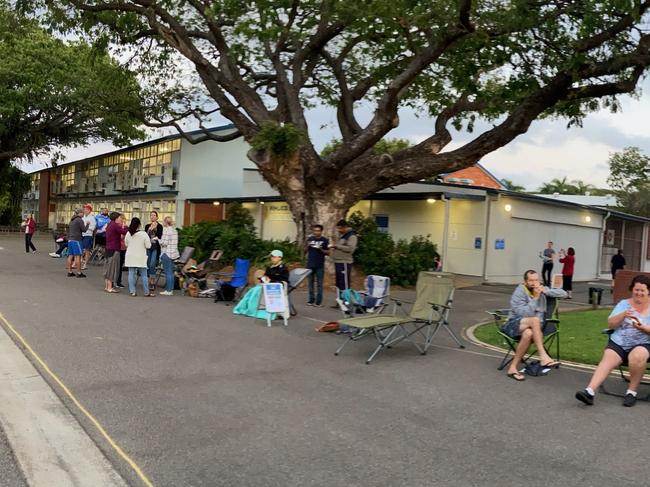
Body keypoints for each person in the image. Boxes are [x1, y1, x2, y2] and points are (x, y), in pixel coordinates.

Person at [575, 275, 650, 408]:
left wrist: (644, 328)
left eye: (642, 290)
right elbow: (611, 324)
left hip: (643, 342)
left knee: (637, 356)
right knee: (608, 358)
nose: (638, 293)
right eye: (636, 289)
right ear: (632, 289)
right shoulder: (623, 304)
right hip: (620, 341)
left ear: (648, 291)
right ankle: (589, 392)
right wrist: (624, 314)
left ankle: (631, 392)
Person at [501, 270, 567, 381]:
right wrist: (535, 298)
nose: (534, 283)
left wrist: (546, 292)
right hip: (513, 324)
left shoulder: (541, 289)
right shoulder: (519, 292)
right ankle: (543, 356)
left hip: (532, 329)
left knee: (528, 333)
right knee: (535, 320)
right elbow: (524, 314)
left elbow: (563, 293)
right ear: (525, 281)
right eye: (531, 280)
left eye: (536, 280)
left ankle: (512, 368)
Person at [329, 219, 358, 308]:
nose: (339, 230)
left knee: (344, 284)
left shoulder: (352, 236)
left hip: (345, 262)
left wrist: (336, 246)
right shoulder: (343, 236)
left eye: (340, 228)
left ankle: (347, 303)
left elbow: (350, 249)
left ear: (345, 227)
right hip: (338, 261)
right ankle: (340, 302)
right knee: (338, 283)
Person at [125, 217, 153, 297]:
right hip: (140, 256)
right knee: (144, 275)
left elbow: (126, 244)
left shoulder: (128, 233)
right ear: (139, 224)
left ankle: (132, 291)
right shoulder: (143, 234)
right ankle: (146, 292)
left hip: (130, 256)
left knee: (131, 274)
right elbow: (148, 246)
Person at [305, 224, 329, 306]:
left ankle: (318, 302)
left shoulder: (325, 240)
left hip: (319, 265)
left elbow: (328, 253)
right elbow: (304, 251)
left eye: (318, 231)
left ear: (321, 231)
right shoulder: (310, 239)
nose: (316, 232)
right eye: (315, 231)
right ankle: (311, 300)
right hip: (310, 264)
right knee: (310, 283)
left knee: (319, 284)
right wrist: (307, 246)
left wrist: (320, 249)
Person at [103, 212, 128, 293]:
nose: (120, 219)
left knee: (107, 267)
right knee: (112, 268)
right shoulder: (115, 225)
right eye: (119, 218)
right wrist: (125, 227)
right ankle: (110, 287)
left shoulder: (109, 224)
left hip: (108, 248)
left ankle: (107, 286)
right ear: (116, 218)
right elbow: (124, 232)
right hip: (114, 249)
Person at [159, 216, 179, 296]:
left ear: (166, 222)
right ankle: (170, 290)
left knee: (167, 272)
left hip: (166, 253)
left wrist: (157, 240)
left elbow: (164, 243)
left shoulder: (167, 231)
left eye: (163, 221)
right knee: (171, 272)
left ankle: (168, 290)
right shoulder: (175, 231)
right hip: (173, 253)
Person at [66, 208, 89, 277]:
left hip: (70, 239)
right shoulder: (79, 220)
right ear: (80, 213)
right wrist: (87, 224)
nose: (84, 214)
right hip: (77, 240)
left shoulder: (72, 220)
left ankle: (70, 272)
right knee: (78, 256)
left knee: (70, 256)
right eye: (83, 213)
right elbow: (84, 230)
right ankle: (79, 273)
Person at [145, 211, 163, 290]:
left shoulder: (160, 226)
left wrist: (154, 229)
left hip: (156, 247)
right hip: (148, 247)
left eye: (154, 215)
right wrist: (149, 229)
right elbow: (145, 236)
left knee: (152, 264)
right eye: (151, 215)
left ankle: (152, 281)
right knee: (148, 264)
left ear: (157, 217)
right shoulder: (147, 226)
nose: (152, 217)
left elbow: (159, 236)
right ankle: (150, 280)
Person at [81, 204, 96, 270]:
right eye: (84, 209)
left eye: (86, 209)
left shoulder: (92, 218)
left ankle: (85, 264)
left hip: (88, 235)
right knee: (81, 249)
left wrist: (86, 227)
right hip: (82, 234)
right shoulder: (83, 217)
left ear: (90, 210)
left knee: (86, 250)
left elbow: (93, 228)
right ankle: (81, 261)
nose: (85, 210)